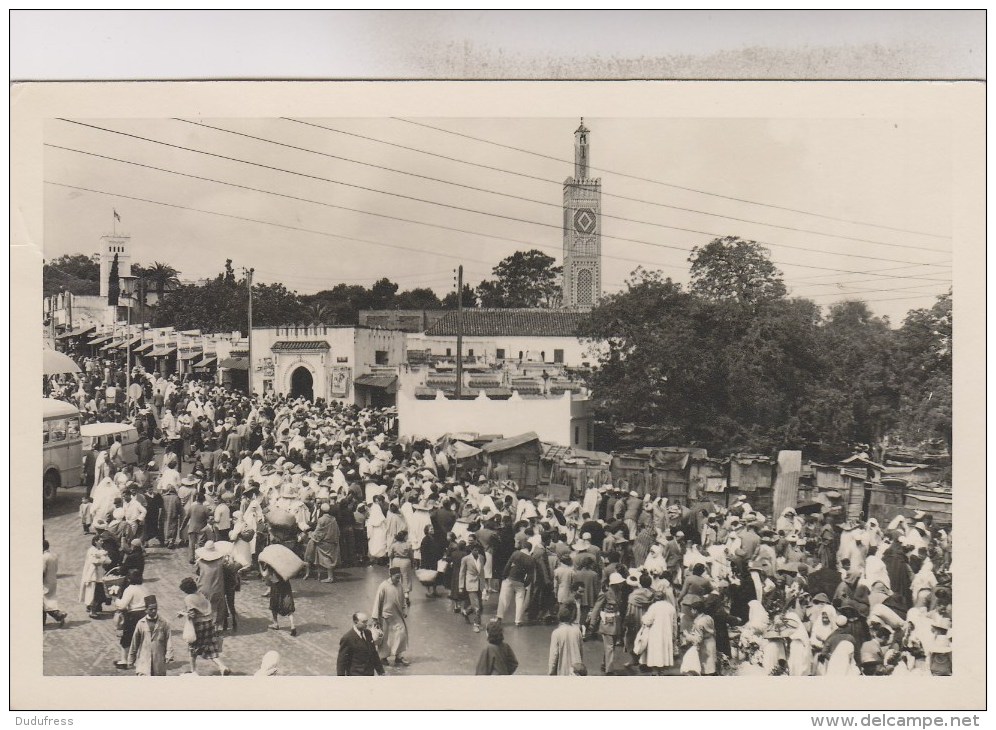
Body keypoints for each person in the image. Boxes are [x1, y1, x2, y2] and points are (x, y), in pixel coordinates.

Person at [178, 576, 231, 675]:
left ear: (185, 590)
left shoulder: (188, 598)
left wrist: (182, 613)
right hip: (209, 623)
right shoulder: (201, 594)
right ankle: (222, 666)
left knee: (192, 649)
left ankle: (193, 671)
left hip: (199, 625)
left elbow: (192, 614)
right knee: (210, 648)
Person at [127, 595, 173, 676]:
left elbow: (168, 639)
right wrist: (131, 659)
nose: (154, 611)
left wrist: (169, 654)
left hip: (159, 659)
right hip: (144, 660)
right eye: (151, 609)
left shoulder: (164, 623)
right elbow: (134, 642)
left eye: (155, 608)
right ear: (146, 610)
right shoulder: (141, 623)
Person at [372, 567, 410, 666]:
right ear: (391, 575)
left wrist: (404, 609)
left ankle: (398, 656)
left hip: (397, 615)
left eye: (399, 578)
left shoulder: (400, 585)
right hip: (385, 616)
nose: (398, 580)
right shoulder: (383, 586)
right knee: (386, 638)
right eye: (396, 577)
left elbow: (403, 600)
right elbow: (377, 601)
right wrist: (375, 617)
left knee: (401, 634)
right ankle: (383, 657)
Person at [589, 572, 625, 674]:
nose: (621, 584)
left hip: (616, 622)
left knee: (610, 646)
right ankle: (609, 669)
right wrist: (592, 622)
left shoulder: (619, 592)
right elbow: (596, 608)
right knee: (609, 646)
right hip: (607, 623)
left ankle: (604, 664)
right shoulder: (605, 593)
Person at [114, 569, 149, 669]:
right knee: (142, 638)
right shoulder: (145, 588)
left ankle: (124, 661)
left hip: (133, 616)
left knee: (127, 639)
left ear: (128, 579)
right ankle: (140, 661)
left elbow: (122, 606)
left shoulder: (130, 589)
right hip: (144, 615)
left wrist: (116, 600)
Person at [497, 539, 535, 627]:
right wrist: (525, 583)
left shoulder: (516, 553)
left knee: (504, 598)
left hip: (510, 579)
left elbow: (508, 565)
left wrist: (504, 575)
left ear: (523, 547)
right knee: (520, 600)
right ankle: (518, 621)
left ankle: (499, 617)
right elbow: (530, 575)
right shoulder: (531, 559)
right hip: (520, 581)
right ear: (529, 549)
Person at [337, 612, 386, 676]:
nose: (366, 624)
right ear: (355, 622)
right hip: (356, 675)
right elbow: (342, 661)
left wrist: (381, 671)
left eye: (367, 621)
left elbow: (373, 653)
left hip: (369, 673)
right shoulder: (347, 638)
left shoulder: (368, 633)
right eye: (364, 622)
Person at [195, 540, 229, 631]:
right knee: (218, 608)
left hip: (203, 588)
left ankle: (204, 625)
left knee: (203, 608)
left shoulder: (200, 562)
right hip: (217, 588)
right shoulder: (220, 562)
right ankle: (217, 626)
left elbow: (197, 573)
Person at [640, 591, 677, 675]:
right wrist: (674, 634)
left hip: (655, 633)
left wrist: (643, 618)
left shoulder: (654, 607)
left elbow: (647, 621)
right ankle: (661, 672)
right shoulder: (671, 607)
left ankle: (655, 672)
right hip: (667, 633)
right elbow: (675, 623)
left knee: (655, 652)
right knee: (664, 652)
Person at [260, 556, 298, 637]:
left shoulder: (270, 563)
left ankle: (275, 623)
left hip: (276, 585)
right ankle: (292, 625)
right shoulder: (285, 563)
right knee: (288, 604)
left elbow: (265, 575)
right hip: (286, 584)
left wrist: (260, 567)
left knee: (274, 604)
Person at [304, 503, 341, 583]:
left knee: (322, 556)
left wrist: (311, 534)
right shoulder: (333, 519)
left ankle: (329, 577)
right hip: (333, 541)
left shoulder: (321, 520)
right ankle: (330, 575)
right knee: (330, 558)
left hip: (324, 543)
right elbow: (337, 531)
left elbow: (318, 532)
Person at [80, 535, 111, 619]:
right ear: (95, 541)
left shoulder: (101, 550)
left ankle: (95, 608)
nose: (102, 542)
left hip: (99, 575)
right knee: (93, 593)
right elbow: (94, 561)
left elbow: (108, 561)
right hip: (92, 574)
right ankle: (92, 610)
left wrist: (102, 557)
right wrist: (102, 558)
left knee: (99, 592)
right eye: (100, 540)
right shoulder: (91, 550)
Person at [548, 603, 584, 676]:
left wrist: (551, 672)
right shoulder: (577, 631)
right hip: (576, 670)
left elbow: (553, 656)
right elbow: (581, 652)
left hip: (563, 670)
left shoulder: (556, 633)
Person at [459, 542, 487, 632]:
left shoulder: (482, 558)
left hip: (480, 583)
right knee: (477, 606)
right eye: (475, 550)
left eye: (478, 550)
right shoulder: (465, 559)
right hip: (470, 583)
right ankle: (476, 624)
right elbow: (462, 573)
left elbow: (482, 572)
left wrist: (485, 584)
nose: (477, 551)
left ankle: (465, 612)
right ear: (471, 550)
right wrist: (461, 586)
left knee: (478, 604)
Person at [42, 540, 67, 627]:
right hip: (53, 580)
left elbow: (42, 571)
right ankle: (57, 616)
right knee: (49, 600)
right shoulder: (54, 555)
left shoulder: (43, 557)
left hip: (45, 582)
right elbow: (56, 569)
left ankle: (58, 615)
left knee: (44, 602)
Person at [388, 529, 415, 606]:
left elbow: (390, 555)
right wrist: (413, 563)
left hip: (395, 561)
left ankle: (395, 596)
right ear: (404, 537)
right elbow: (411, 555)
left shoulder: (394, 545)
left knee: (395, 578)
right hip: (405, 562)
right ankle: (406, 595)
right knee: (406, 578)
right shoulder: (408, 545)